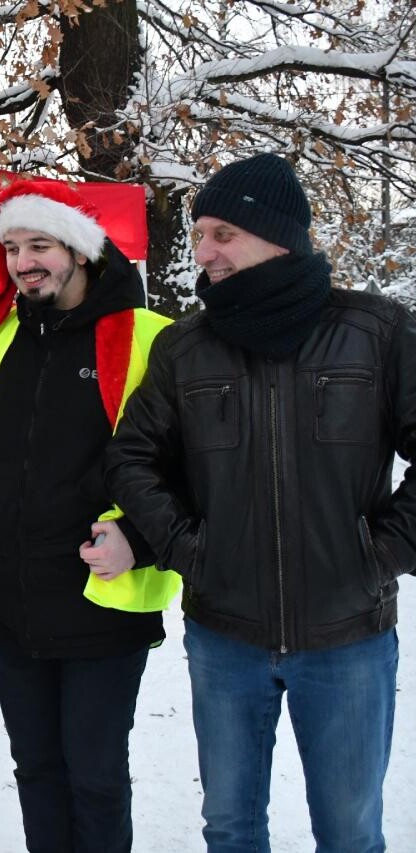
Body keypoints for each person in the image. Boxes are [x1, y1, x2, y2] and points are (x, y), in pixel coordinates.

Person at [106, 152, 415, 852]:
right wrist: (192, 549)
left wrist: (381, 553)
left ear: (278, 235)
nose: (203, 250)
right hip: (226, 637)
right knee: (231, 828)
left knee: (349, 832)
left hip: (347, 638)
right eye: (200, 234)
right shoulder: (187, 347)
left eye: (221, 233)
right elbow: (132, 458)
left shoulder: (376, 332)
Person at [0, 180, 174, 853]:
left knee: (96, 778)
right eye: (12, 247)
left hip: (101, 603)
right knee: (37, 770)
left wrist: (138, 537)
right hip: (12, 605)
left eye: (38, 244)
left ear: (78, 247)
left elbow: (189, 471)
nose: (21, 262)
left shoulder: (149, 338)